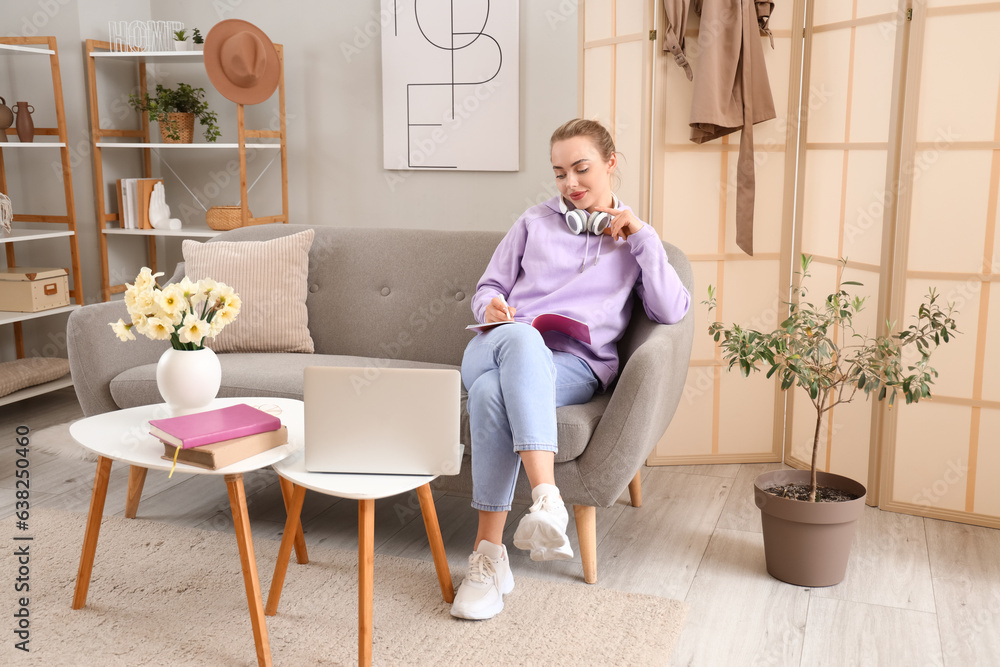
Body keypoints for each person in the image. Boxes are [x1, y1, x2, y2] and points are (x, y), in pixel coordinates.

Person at [450, 119, 691, 620]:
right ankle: (547, 497)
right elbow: (487, 288)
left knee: (493, 395)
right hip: (498, 344)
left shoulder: (633, 243)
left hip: (572, 366)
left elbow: (671, 310)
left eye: (581, 169)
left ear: (611, 163)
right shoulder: (533, 222)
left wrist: (643, 238)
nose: (570, 184)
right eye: (559, 174)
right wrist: (492, 305)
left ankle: (489, 558)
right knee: (520, 339)